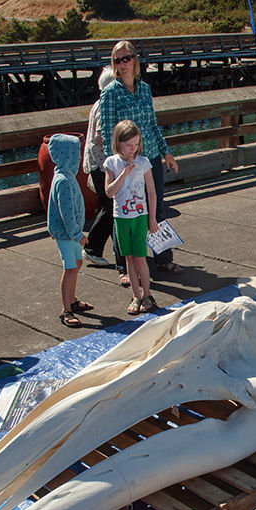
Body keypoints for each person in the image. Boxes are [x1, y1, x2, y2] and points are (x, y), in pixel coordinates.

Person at [99, 41, 181, 277]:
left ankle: (163, 258)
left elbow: (153, 125)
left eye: (126, 58)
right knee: (126, 211)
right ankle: (124, 267)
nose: (122, 64)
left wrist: (166, 152)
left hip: (151, 157)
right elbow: (107, 134)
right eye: (117, 60)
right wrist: (114, 167)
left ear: (135, 60)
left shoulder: (144, 89)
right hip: (127, 163)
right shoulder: (110, 94)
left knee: (157, 208)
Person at [103, 120, 158, 316]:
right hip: (121, 217)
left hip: (140, 216)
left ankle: (147, 293)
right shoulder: (111, 163)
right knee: (129, 258)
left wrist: (152, 218)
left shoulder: (143, 162)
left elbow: (151, 192)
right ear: (118, 143)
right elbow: (109, 192)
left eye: (136, 144)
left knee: (141, 257)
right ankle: (135, 295)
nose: (133, 149)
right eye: (128, 145)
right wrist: (124, 174)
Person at [82, 67, 130, 287]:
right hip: (102, 164)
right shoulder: (104, 104)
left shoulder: (99, 102)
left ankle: (116, 249)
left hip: (99, 163)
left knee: (109, 206)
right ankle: (92, 247)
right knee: (110, 205)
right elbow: (99, 136)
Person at [46, 133, 93, 328]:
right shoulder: (64, 181)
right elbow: (66, 213)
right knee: (70, 267)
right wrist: (77, 235)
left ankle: (72, 300)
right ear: (68, 157)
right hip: (67, 234)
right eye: (76, 156)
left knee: (77, 263)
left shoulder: (67, 177)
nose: (79, 159)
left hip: (71, 232)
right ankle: (66, 310)